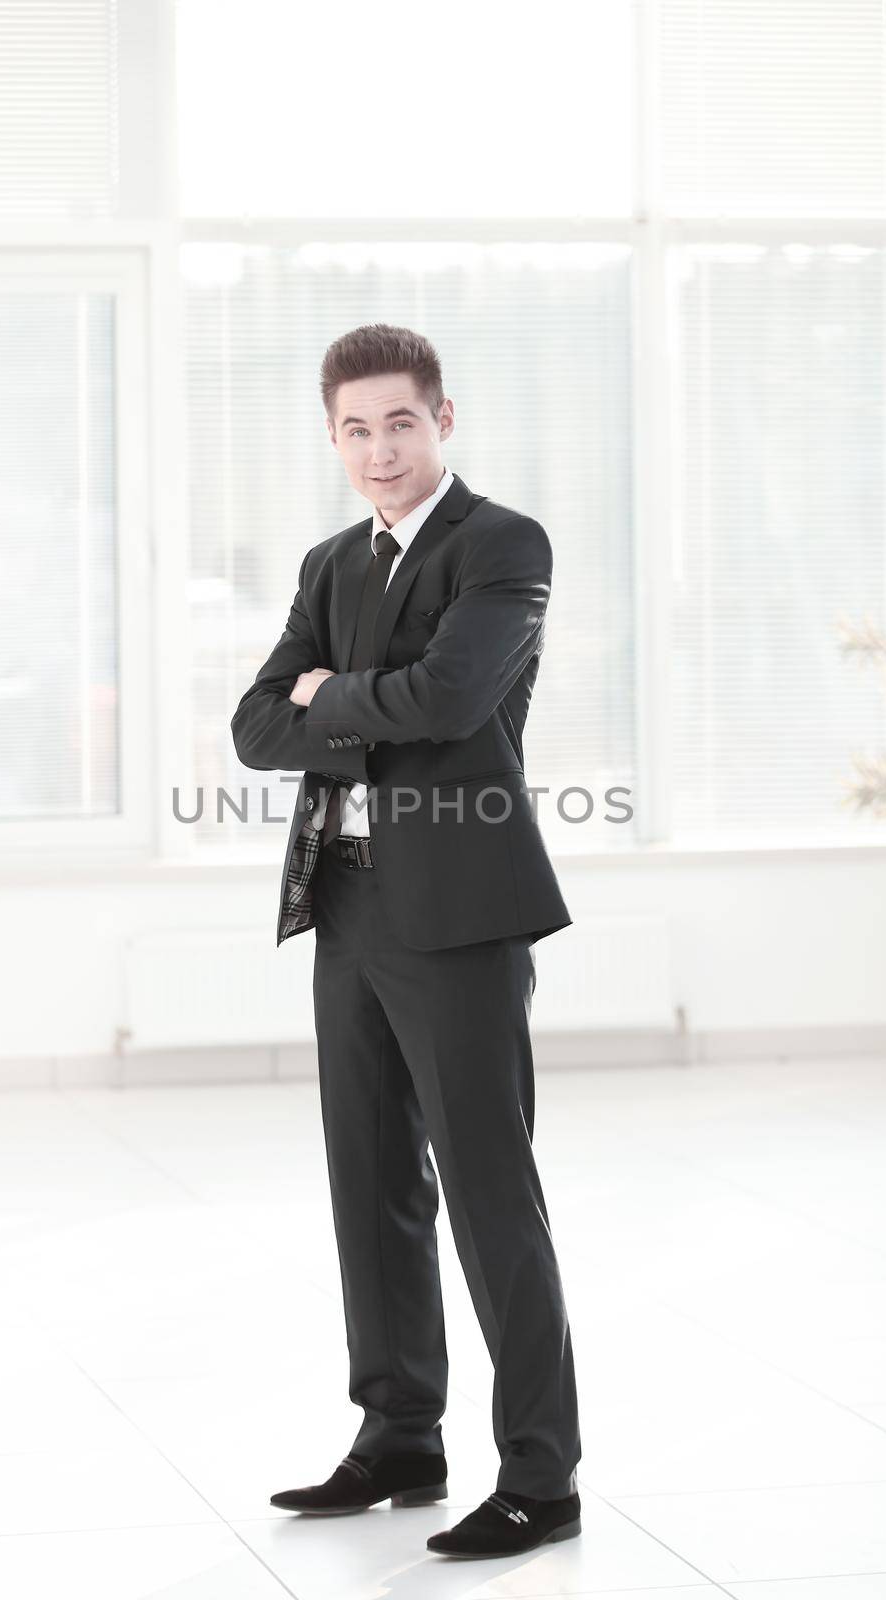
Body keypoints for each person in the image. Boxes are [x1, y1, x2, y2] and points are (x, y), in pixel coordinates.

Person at [230, 323, 582, 1559]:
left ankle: (541, 1475)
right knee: (368, 1181)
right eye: (354, 428)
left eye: (400, 422)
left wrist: (329, 696)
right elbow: (250, 727)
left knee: (490, 1196)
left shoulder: (501, 545)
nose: (379, 449)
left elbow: (451, 697)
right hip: (348, 902)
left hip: (461, 911)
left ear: (443, 420)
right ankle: (399, 1437)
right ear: (332, 438)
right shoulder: (332, 563)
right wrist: (321, 702)